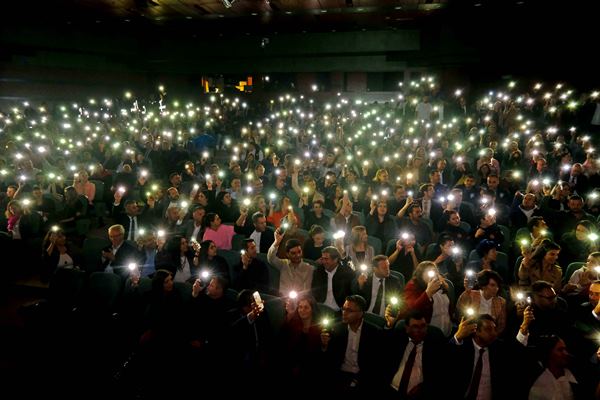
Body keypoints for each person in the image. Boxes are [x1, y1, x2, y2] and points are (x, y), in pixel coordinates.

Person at [320, 295, 380, 393]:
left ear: (360, 314)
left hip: (362, 376)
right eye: (343, 309)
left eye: (349, 310)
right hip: (341, 374)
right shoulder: (337, 329)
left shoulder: (373, 332)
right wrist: (324, 346)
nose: (344, 313)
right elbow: (329, 360)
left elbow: (374, 363)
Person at [380, 311, 446, 399]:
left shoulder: (434, 346)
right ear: (407, 328)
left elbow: (439, 374)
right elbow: (381, 346)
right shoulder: (398, 338)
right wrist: (389, 324)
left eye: (423, 326)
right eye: (415, 326)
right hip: (391, 390)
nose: (420, 330)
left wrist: (423, 388)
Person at [402, 261, 453, 337]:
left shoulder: (442, 285)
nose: (434, 274)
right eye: (429, 272)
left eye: (435, 271)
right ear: (420, 274)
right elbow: (412, 310)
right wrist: (428, 293)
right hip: (427, 334)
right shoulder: (412, 286)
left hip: (446, 332)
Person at [528, 336, 579, 400]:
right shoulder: (537, 378)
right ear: (549, 352)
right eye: (560, 350)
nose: (566, 353)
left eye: (565, 349)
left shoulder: (573, 377)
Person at [456, 270, 507, 335]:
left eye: (497, 286)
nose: (496, 288)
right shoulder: (470, 294)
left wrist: (492, 335)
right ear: (483, 285)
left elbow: (501, 325)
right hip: (470, 334)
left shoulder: (501, 302)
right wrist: (467, 291)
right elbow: (459, 311)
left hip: (490, 336)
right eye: (492, 285)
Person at [267, 229, 313, 296]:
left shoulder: (308, 268)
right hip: (282, 299)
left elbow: (306, 292)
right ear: (287, 254)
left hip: (299, 302)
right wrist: (276, 242)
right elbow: (271, 258)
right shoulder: (283, 264)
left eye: (299, 252)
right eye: (293, 253)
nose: (297, 255)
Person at [311, 246, 355, 312]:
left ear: (336, 259)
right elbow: (314, 290)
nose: (323, 262)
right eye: (322, 259)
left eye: (326, 259)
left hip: (339, 309)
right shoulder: (318, 271)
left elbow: (350, 293)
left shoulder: (347, 273)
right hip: (321, 307)